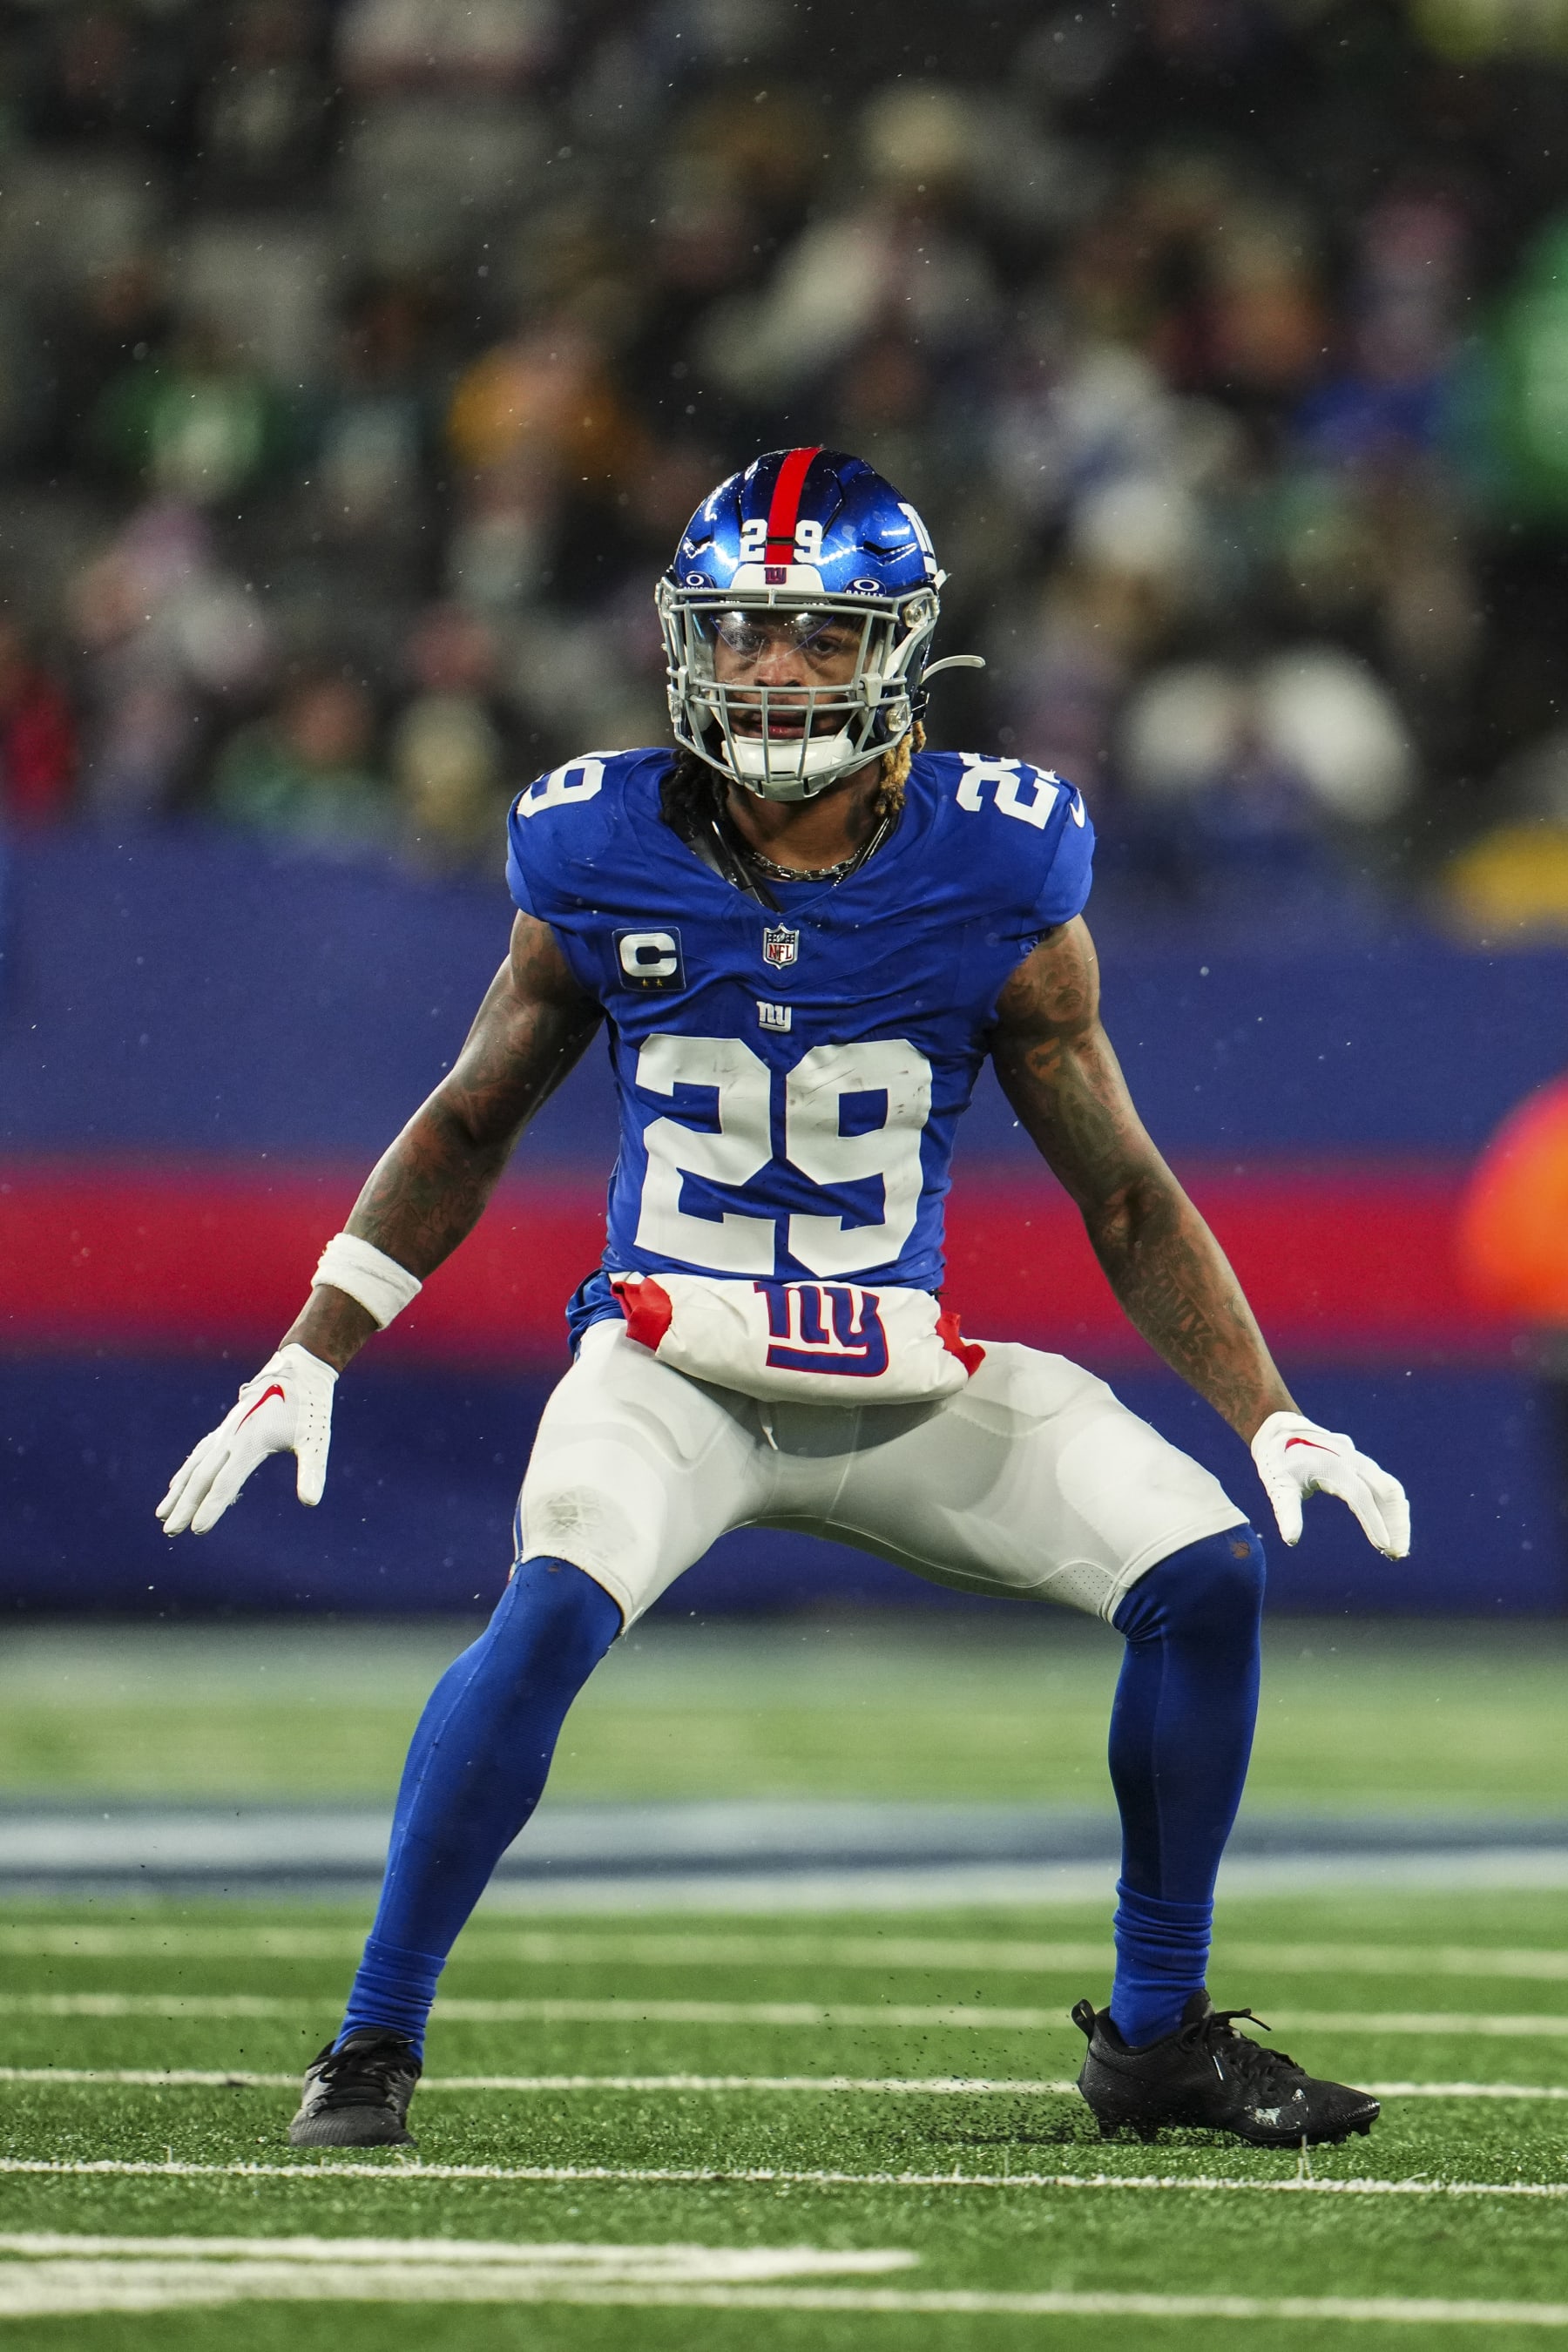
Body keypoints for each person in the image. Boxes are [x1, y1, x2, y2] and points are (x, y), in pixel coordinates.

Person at [159, 448, 1409, 2153]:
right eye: (743, 636)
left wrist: (1264, 1408)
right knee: (548, 1610)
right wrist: (313, 1351)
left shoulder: (999, 868)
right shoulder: (599, 845)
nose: (771, 674)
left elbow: (1123, 1189)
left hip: (901, 1376)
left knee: (1204, 1575)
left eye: (819, 639)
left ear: (896, 650)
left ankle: (1154, 2036)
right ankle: (371, 2042)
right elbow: (465, 1124)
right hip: (671, 1362)